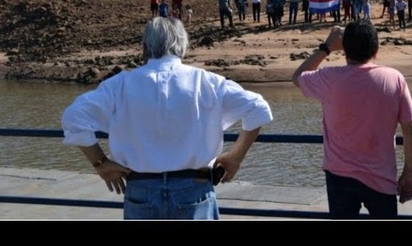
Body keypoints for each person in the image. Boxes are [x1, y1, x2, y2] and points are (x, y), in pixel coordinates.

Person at [61, 16, 273, 220]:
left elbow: (73, 118)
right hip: (193, 189)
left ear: (144, 48)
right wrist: (235, 157)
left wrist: (101, 163)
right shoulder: (206, 82)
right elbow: (258, 109)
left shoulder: (120, 85)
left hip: (141, 190)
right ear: (183, 47)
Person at [291, 20, 412, 220]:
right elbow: (411, 131)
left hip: (339, 176)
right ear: (376, 48)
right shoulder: (394, 79)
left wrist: (326, 48)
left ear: (344, 50)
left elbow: (298, 76)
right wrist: (409, 175)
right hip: (381, 177)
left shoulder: (329, 78)